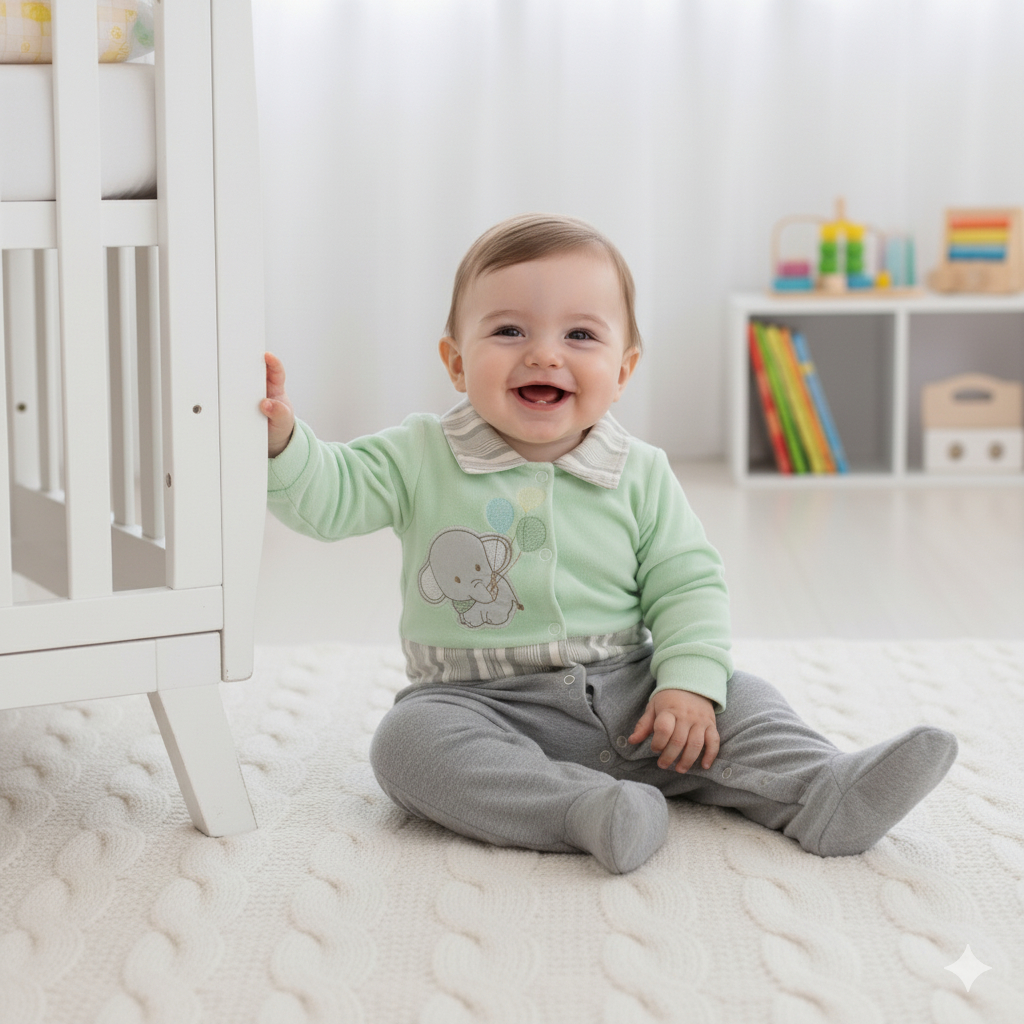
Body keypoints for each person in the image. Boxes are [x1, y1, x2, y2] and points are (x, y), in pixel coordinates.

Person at [261, 213, 957, 874]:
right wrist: (283, 441)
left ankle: (824, 790)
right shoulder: (419, 454)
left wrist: (687, 685)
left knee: (743, 698)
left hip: (637, 698)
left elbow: (688, 585)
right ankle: (584, 810)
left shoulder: (640, 472)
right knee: (406, 746)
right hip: (479, 705)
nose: (544, 353)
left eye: (580, 335)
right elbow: (330, 498)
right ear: (456, 361)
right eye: (508, 330)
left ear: (623, 371)